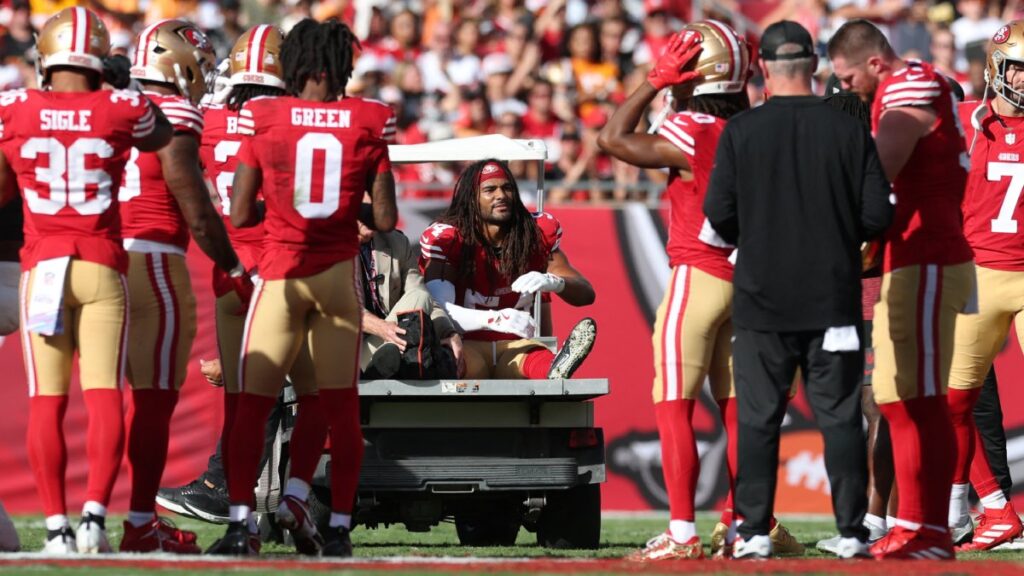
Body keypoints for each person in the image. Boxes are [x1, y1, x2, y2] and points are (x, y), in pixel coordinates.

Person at [597, 20, 802, 561]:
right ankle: (743, 523)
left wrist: (652, 82)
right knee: (740, 409)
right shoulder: (759, 128)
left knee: (674, 404)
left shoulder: (692, 128)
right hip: (756, 284)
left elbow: (612, 138)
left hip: (701, 274)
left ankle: (684, 532)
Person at [207, 18, 397, 558]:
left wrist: (287, 208)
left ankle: (242, 525)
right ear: (341, 67)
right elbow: (384, 216)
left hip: (282, 276)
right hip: (337, 280)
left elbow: (241, 212)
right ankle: (337, 528)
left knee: (249, 406)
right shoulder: (368, 120)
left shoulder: (264, 116)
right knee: (338, 406)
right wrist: (340, 208)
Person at [705, 20, 893, 560]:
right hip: (832, 298)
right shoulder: (848, 130)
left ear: (763, 68)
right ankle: (855, 532)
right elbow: (878, 214)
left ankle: (756, 529)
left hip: (763, 301)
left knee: (760, 417)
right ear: (814, 66)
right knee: (840, 418)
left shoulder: (742, 131)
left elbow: (718, 215)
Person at [0, 7, 172, 553]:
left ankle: (58, 530)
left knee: (46, 401)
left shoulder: (14, 106)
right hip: (100, 264)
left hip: (43, 266)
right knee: (103, 397)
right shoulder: (122, 106)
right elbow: (160, 134)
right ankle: (96, 515)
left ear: (45, 58)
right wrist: (118, 86)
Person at [829, 19, 977, 560]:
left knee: (921, 400)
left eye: (846, 79)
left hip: (930, 254)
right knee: (895, 398)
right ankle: (913, 523)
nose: (844, 90)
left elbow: (878, 171)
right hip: (908, 257)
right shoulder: (893, 89)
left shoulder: (909, 85)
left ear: (873, 62)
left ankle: (929, 528)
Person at [116, 19, 248, 555]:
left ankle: (75, 521)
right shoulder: (182, 112)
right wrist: (233, 265)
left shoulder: (108, 105)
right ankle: (144, 522)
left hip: (85, 258)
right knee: (155, 401)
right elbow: (200, 209)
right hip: (158, 263)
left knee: (92, 397)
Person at [945, 20, 1024, 551]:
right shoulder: (964, 123)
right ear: (997, 68)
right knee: (954, 401)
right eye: (1019, 67)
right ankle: (995, 509)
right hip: (976, 275)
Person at [419, 159, 597, 383]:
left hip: (516, 345)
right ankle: (453, 366)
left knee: (532, 359)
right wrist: (494, 319)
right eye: (489, 189)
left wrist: (554, 281)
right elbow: (439, 308)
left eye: (507, 187)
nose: (501, 195)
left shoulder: (535, 235)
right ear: (471, 198)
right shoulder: (450, 239)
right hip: (467, 342)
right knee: (458, 360)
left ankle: (554, 368)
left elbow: (586, 294)